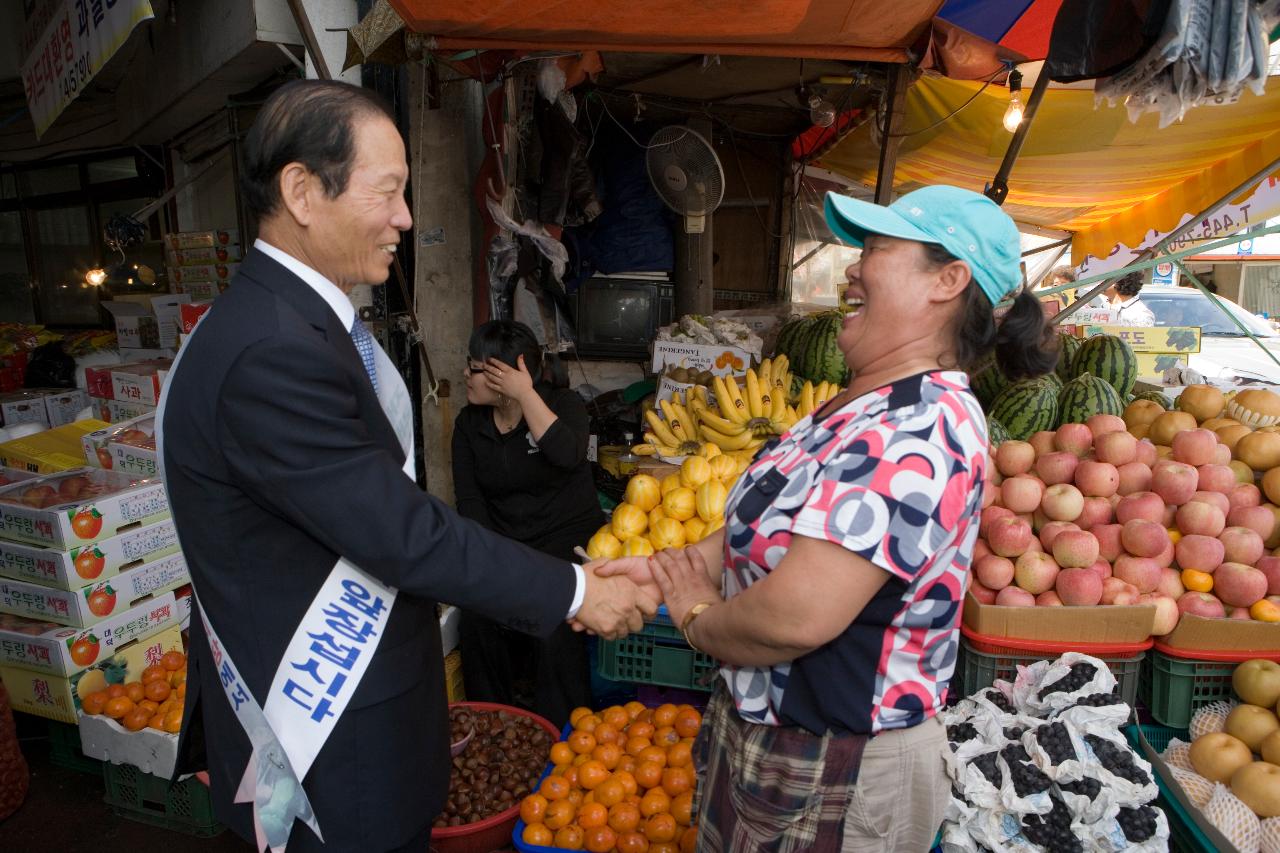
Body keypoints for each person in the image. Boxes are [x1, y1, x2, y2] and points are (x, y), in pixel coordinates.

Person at [158, 79, 656, 853]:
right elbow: (399, 530)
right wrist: (574, 589)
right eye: (387, 191)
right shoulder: (272, 349)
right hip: (327, 751)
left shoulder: (285, 321)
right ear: (301, 191)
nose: (406, 218)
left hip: (354, 728)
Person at [606, 185, 1057, 852]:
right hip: (781, 747)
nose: (852, 267)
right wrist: (657, 571)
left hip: (839, 768)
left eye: (875, 249)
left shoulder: (917, 428)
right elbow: (754, 528)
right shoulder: (864, 405)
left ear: (948, 280)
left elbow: (797, 614)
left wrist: (700, 619)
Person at [451, 320, 599, 726]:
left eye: (477, 367)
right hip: (505, 546)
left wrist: (526, 395)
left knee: (555, 620)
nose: (466, 373)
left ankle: (562, 730)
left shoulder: (565, 405)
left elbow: (568, 454)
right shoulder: (469, 425)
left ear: (507, 374)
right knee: (477, 619)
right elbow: (470, 501)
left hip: (563, 544)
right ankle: (494, 725)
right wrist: (495, 561)